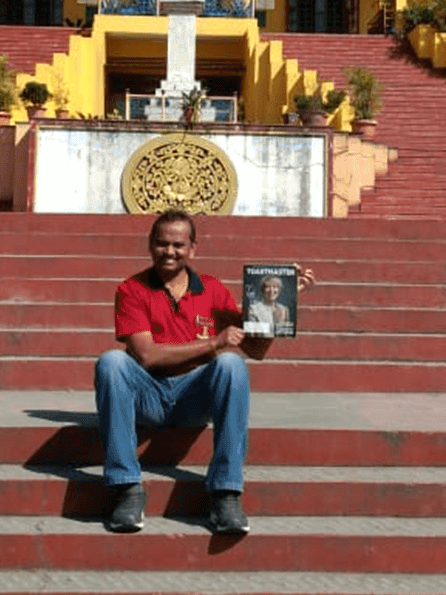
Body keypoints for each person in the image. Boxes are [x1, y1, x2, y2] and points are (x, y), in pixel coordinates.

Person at [93, 208, 313, 535]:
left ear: (193, 248)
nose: (170, 251)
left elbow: (256, 349)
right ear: (150, 245)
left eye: (178, 245)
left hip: (193, 400)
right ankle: (126, 488)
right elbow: (148, 356)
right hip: (148, 397)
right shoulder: (131, 290)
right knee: (112, 362)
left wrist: (282, 303)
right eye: (162, 243)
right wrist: (214, 342)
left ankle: (225, 492)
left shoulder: (211, 289)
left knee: (232, 364)